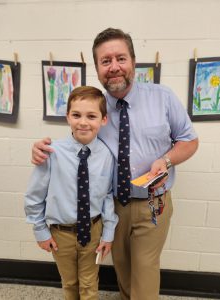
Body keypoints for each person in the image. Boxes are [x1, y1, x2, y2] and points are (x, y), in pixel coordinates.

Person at [31, 28, 199, 300]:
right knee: (123, 271)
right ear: (97, 68)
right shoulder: (96, 108)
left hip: (153, 202)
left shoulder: (163, 97)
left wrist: (166, 159)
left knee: (144, 272)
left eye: (120, 58)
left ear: (133, 60)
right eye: (105, 61)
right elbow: (74, 142)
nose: (114, 67)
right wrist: (41, 149)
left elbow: (189, 141)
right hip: (113, 205)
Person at [25, 86, 118, 300]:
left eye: (91, 116)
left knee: (89, 285)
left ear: (103, 120)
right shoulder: (51, 153)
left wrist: (108, 233)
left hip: (93, 232)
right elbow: (34, 195)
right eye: (76, 115)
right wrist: (40, 230)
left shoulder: (106, 155)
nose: (83, 122)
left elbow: (107, 196)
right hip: (61, 234)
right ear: (67, 117)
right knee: (69, 283)